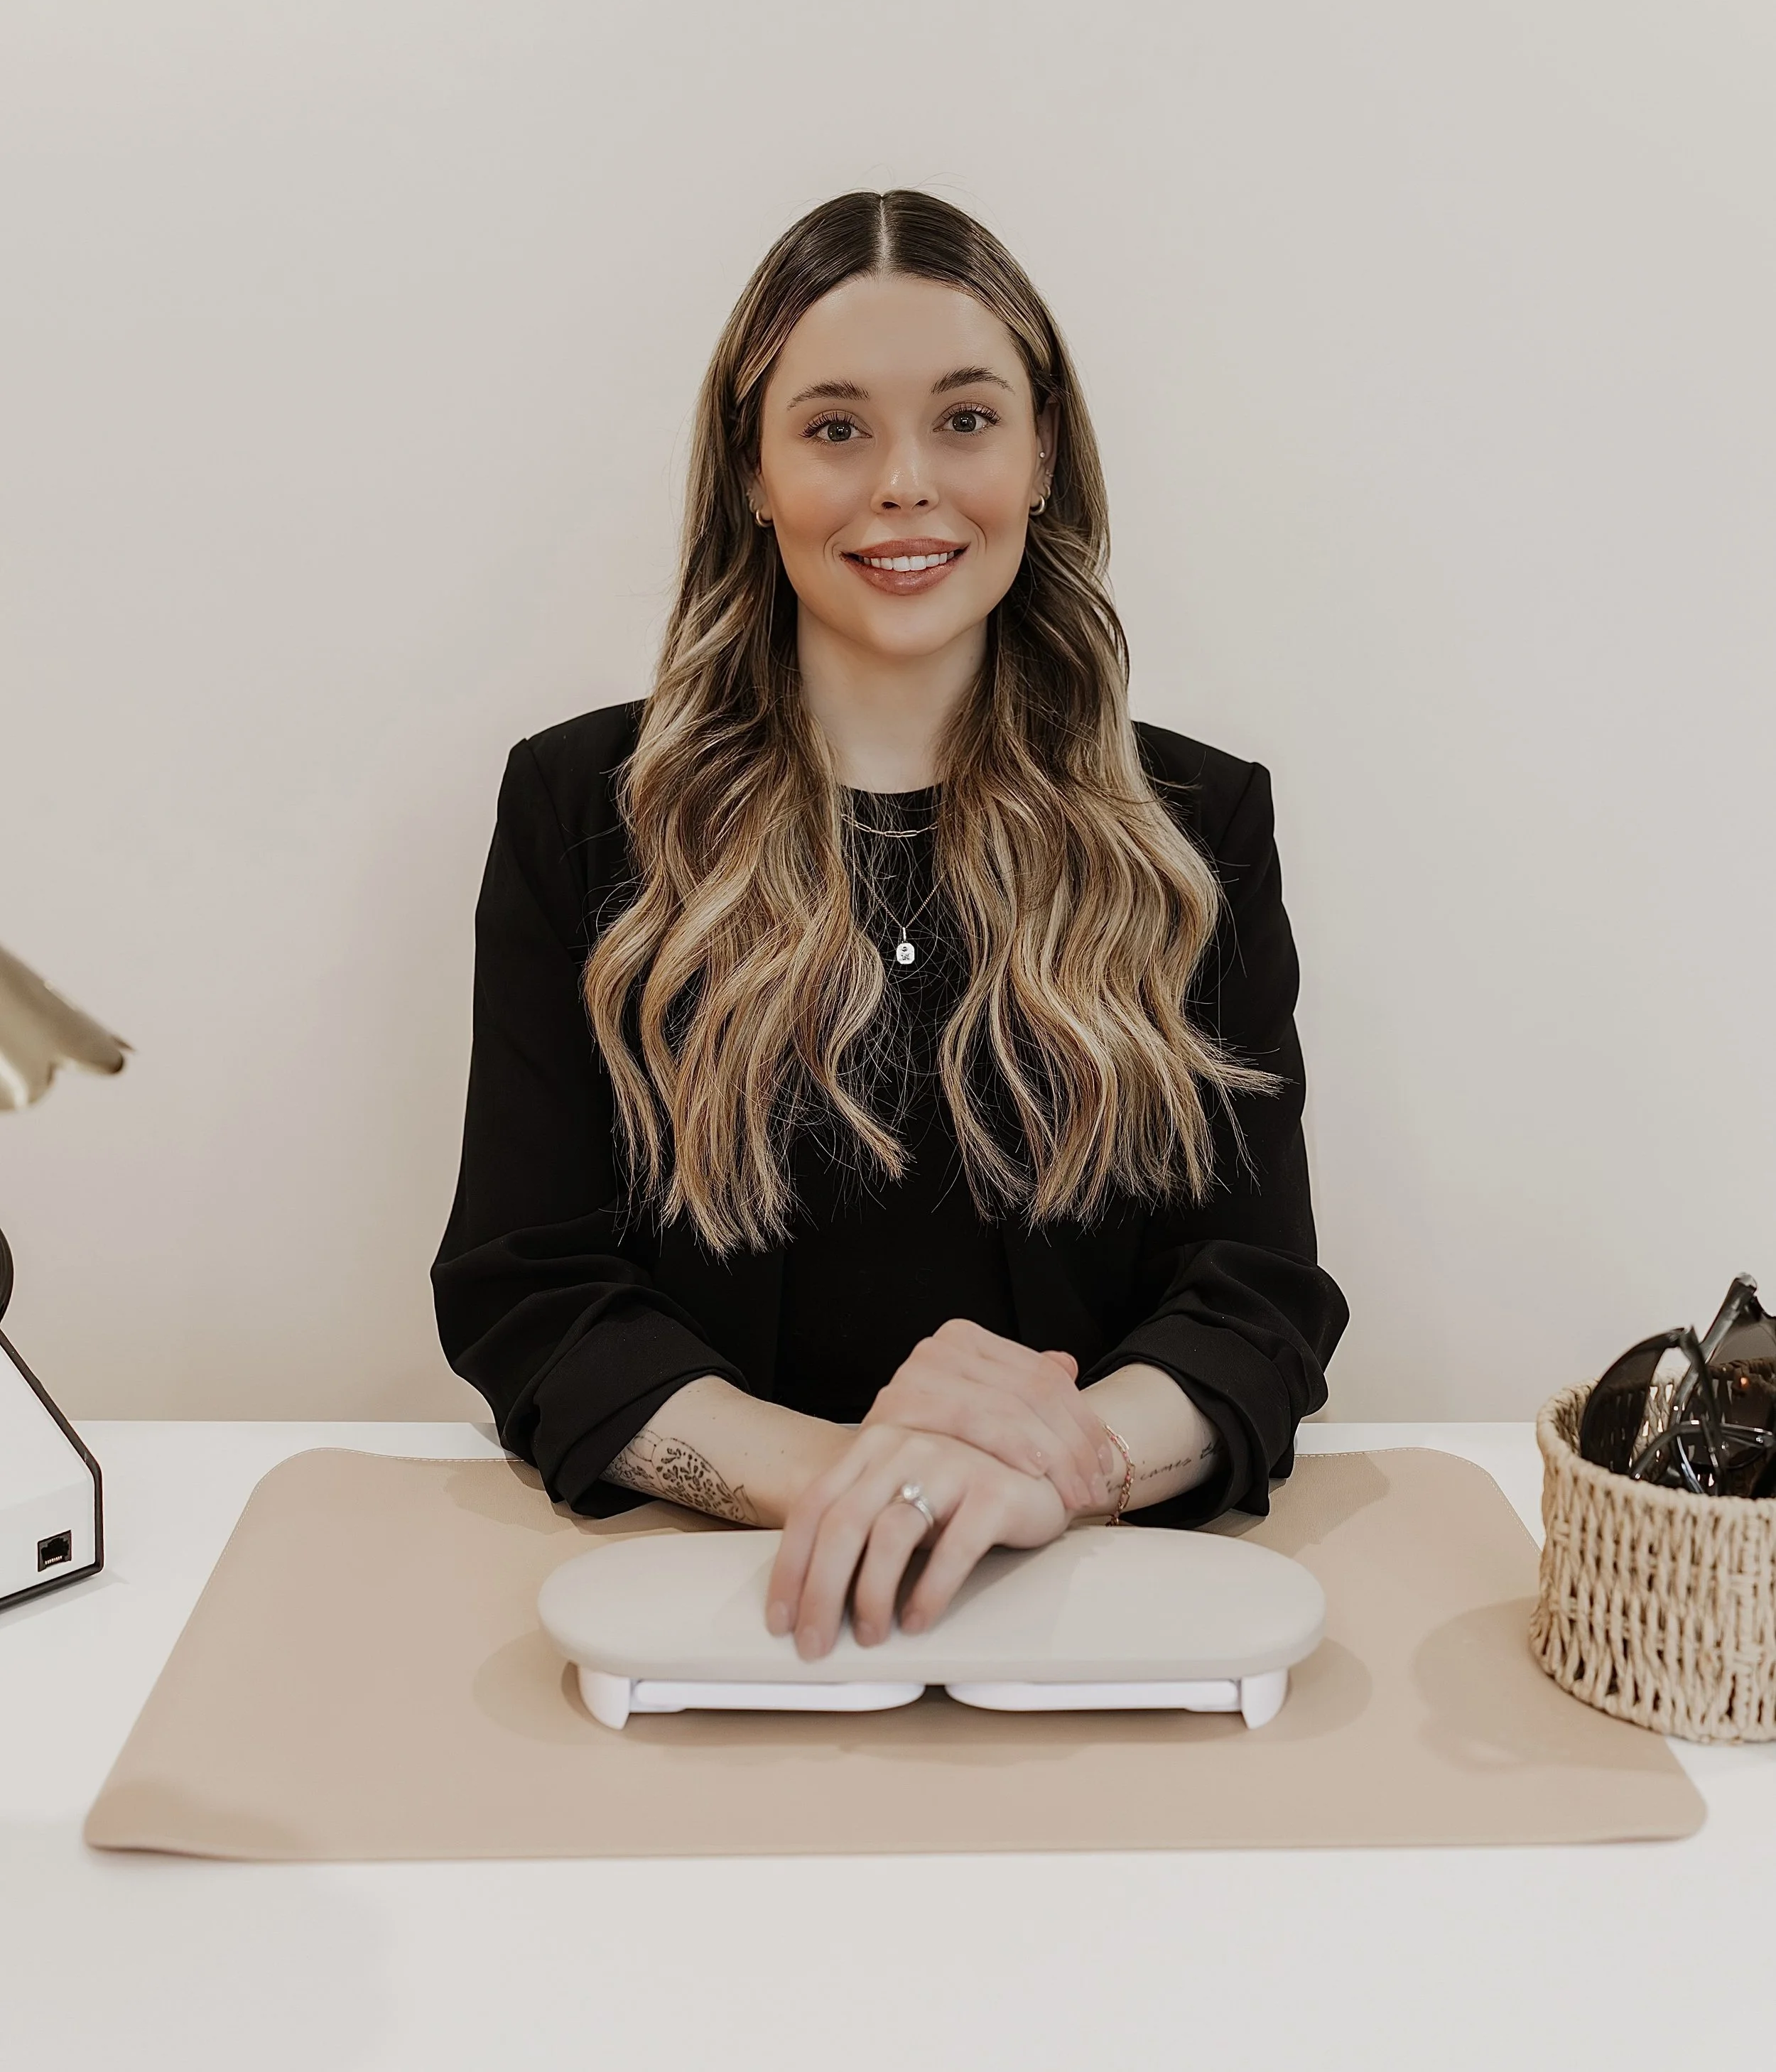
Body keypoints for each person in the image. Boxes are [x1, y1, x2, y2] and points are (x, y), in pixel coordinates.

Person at [433, 190, 1347, 1664]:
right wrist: (871, 1483)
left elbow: (1256, 1304)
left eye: (967, 420)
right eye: (836, 427)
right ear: (751, 468)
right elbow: (527, 1292)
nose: (905, 485)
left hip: (1097, 1624)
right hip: (710, 1617)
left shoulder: (1197, 826)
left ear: (1043, 454)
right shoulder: (579, 808)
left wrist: (1056, 1477)